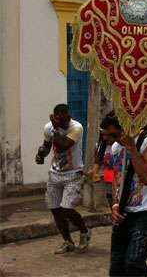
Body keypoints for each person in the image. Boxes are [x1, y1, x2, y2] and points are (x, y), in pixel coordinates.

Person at [109, 113, 147, 277]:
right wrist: (115, 204)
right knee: (117, 266)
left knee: (133, 263)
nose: (111, 139)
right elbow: (115, 178)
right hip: (124, 212)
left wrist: (132, 148)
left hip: (146, 213)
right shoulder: (115, 147)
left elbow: (146, 177)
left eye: (114, 135)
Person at [36, 104, 90, 254]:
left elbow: (64, 144)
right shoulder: (49, 127)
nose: (62, 122)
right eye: (58, 119)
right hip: (55, 173)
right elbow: (47, 145)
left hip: (73, 173)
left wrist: (56, 127)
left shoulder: (76, 127)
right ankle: (68, 241)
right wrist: (41, 154)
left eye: (64, 119)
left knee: (67, 208)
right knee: (55, 209)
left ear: (68, 116)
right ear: (54, 116)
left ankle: (85, 232)